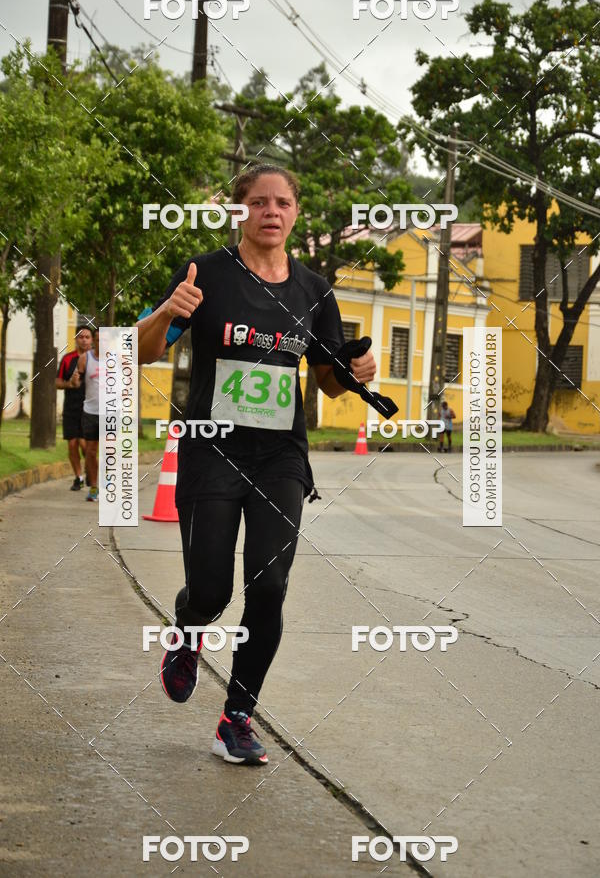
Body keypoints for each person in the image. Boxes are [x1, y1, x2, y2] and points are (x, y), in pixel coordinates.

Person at [137, 164, 383, 766]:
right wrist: (168, 312)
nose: (271, 211)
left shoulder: (314, 292)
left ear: (295, 213)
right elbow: (139, 353)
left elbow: (326, 381)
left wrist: (354, 376)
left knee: (269, 587)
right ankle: (188, 628)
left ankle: (237, 717)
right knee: (212, 590)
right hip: (213, 448)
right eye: (259, 202)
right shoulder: (206, 274)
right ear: (240, 210)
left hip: (280, 457)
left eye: (283, 203)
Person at [56, 326, 92, 490]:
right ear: (76, 339)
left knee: (85, 445)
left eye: (87, 337)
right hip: (71, 407)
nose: (84, 340)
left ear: (92, 340)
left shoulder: (98, 359)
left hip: (90, 409)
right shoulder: (67, 359)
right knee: (72, 444)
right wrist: (70, 384)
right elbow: (57, 382)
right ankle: (78, 477)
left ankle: (91, 472)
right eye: (80, 337)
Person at [75, 327, 100, 502]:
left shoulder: (118, 359)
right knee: (91, 452)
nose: (101, 343)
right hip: (90, 411)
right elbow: (77, 382)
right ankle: (94, 487)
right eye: (98, 339)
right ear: (94, 341)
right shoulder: (85, 358)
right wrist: (74, 380)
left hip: (112, 412)